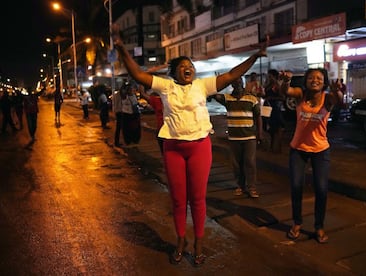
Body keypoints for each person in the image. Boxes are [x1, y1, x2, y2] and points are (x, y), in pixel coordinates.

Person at [112, 23, 267, 266]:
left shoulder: (202, 85)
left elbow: (231, 75)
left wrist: (255, 56)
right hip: (173, 148)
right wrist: (121, 48)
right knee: (177, 199)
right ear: (174, 73)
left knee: (197, 198)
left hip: (199, 147)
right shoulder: (166, 86)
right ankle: (181, 240)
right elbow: (138, 75)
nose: (188, 69)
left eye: (190, 66)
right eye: (183, 66)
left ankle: (198, 242)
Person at [279, 68, 343, 244]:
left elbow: (339, 101)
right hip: (298, 149)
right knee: (296, 186)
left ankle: (319, 226)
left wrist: (337, 90)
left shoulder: (327, 98)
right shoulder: (300, 94)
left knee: (321, 189)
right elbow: (286, 91)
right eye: (311, 77)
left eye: (319, 78)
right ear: (306, 80)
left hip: (320, 150)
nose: (314, 80)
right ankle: (297, 223)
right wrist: (285, 81)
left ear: (324, 82)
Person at [213, 77, 262, 198]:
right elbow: (214, 94)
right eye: (235, 81)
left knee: (250, 162)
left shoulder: (252, 98)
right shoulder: (227, 98)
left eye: (240, 81)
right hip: (234, 138)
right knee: (236, 163)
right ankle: (240, 186)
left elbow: (258, 117)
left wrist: (260, 134)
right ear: (231, 84)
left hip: (249, 137)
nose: (238, 83)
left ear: (243, 83)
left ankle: (252, 187)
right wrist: (221, 81)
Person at [264, 69, 285, 153]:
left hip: (275, 108)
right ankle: (272, 146)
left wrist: (271, 98)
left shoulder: (276, 85)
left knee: (277, 127)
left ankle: (278, 147)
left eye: (270, 76)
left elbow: (282, 97)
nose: (268, 77)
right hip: (268, 108)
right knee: (270, 128)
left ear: (273, 76)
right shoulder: (268, 84)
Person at [140, 86, 164, 154]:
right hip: (172, 131)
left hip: (162, 130)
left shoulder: (156, 101)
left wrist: (141, 82)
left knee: (165, 152)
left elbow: (143, 94)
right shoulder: (173, 100)